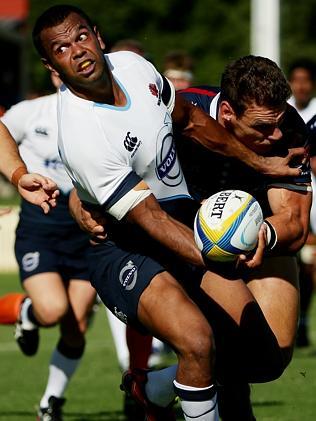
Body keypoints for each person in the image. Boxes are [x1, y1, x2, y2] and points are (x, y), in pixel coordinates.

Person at [32, 5, 309, 421]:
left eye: (81, 37)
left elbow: (191, 121)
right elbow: (150, 220)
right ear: (51, 63)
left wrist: (261, 165)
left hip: (189, 229)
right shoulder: (82, 134)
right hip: (127, 247)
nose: (78, 51)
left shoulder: (134, 67)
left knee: (262, 357)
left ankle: (156, 385)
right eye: (62, 47)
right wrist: (219, 256)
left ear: (98, 36)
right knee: (197, 340)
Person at [0, 73, 96, 421]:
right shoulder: (30, 112)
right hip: (40, 229)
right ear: (52, 70)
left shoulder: (102, 114)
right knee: (53, 310)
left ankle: (49, 401)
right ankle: (26, 311)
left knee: (77, 326)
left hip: (85, 231)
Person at [288, 58, 316, 347]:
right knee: (296, 261)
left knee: (309, 264)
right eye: (296, 79)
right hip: (292, 192)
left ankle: (303, 321)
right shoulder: (281, 109)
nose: (301, 85)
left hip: (312, 194)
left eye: (306, 80)